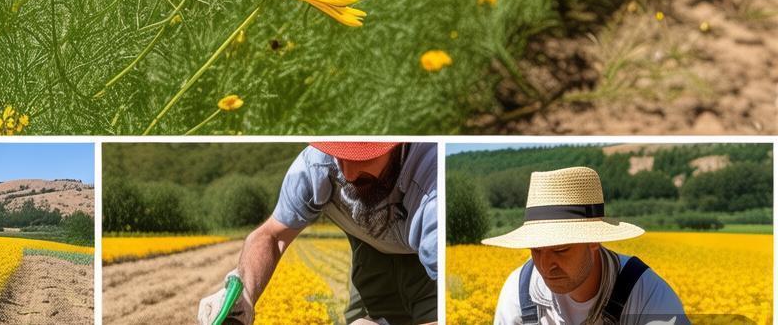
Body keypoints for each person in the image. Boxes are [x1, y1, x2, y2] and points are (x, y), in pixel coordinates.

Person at [197, 141, 437, 325]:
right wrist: (245, 293)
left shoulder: (432, 188)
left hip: (425, 267)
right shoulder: (314, 165)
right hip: (371, 251)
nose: (348, 174)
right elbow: (272, 235)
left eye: (363, 157)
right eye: (340, 156)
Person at [485, 167, 688, 325]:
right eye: (536, 250)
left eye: (560, 250)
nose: (545, 266)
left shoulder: (648, 295)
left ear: (594, 241)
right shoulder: (518, 291)